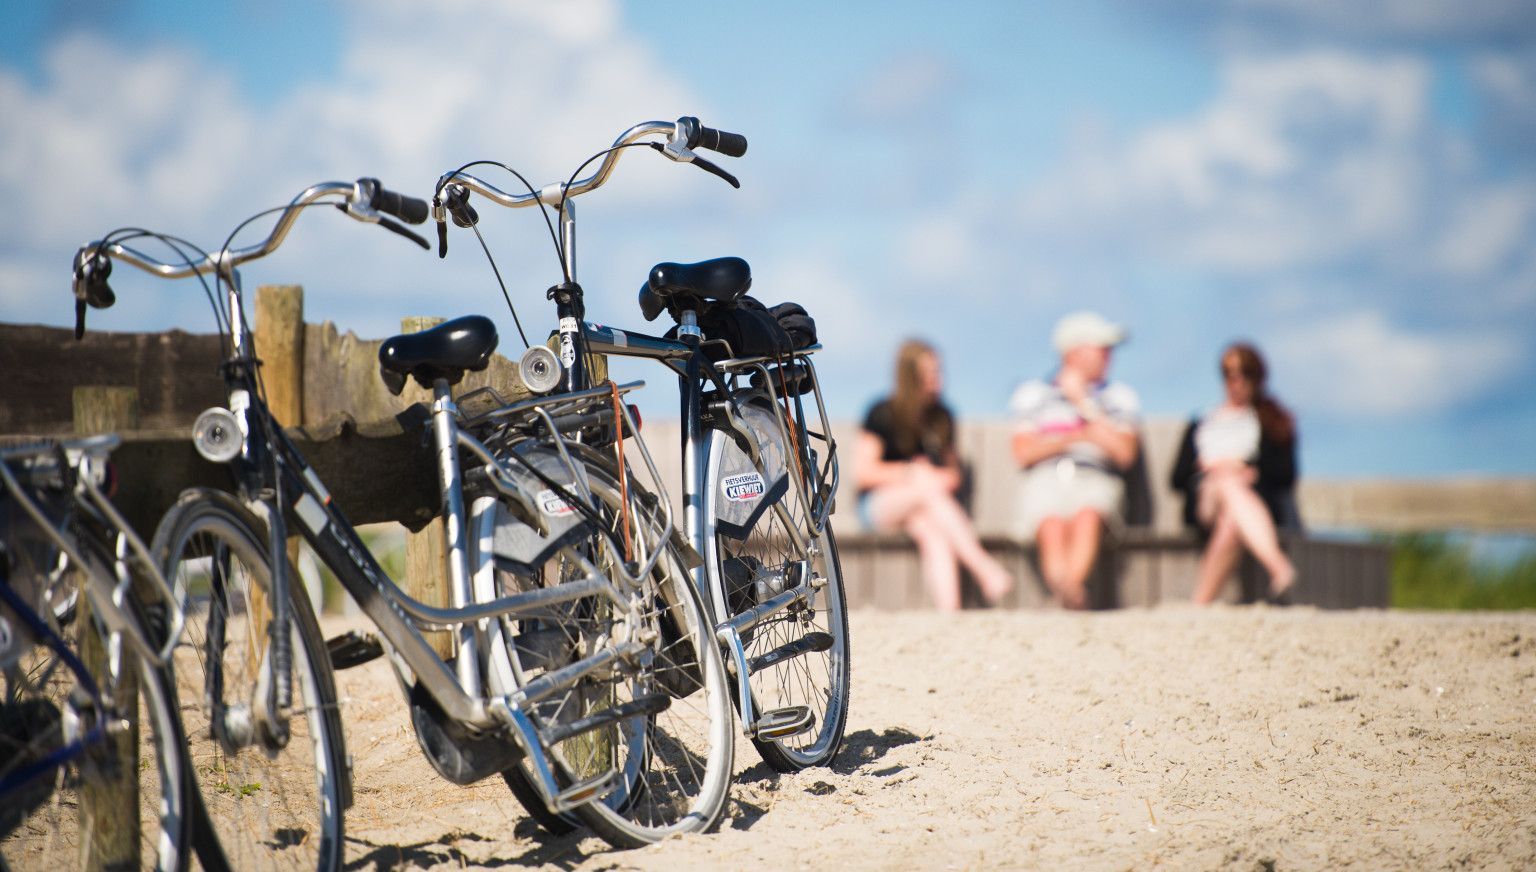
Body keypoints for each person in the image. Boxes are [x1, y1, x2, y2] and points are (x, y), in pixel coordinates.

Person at [854, 339, 1013, 611]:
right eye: (929, 372)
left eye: (938, 371)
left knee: (930, 531)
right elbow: (864, 473)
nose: (937, 378)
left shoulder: (942, 417)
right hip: (879, 507)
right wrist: (911, 473)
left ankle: (948, 613)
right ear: (909, 376)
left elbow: (953, 476)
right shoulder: (882, 413)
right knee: (925, 487)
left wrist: (930, 477)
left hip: (927, 507)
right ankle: (984, 568)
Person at [1009, 311, 1141, 609]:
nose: (1110, 355)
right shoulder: (1034, 394)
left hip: (1096, 477)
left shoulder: (1119, 396)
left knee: (1088, 515)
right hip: (1045, 478)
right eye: (1102, 347)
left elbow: (1124, 453)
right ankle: (1071, 595)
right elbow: (1022, 452)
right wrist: (1079, 437)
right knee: (1051, 522)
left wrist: (1082, 402)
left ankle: (1066, 594)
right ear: (1074, 352)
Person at [1171, 342, 1299, 604]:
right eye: (1229, 374)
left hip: (1248, 502)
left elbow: (1285, 474)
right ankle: (1277, 565)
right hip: (1206, 499)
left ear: (1257, 377)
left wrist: (1250, 470)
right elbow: (1176, 477)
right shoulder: (1202, 421)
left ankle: (1199, 603)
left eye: (1245, 373)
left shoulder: (1271, 420)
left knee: (1231, 521)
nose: (1236, 381)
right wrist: (1212, 468)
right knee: (1226, 482)